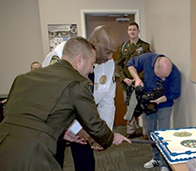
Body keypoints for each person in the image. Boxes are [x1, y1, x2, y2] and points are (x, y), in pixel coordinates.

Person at [0, 37, 130, 171]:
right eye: (92, 64)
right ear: (79, 60)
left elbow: (21, 114)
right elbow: (93, 123)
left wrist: (61, 130)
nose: (92, 70)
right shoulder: (77, 83)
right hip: (33, 153)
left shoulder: (23, 78)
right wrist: (112, 137)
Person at [42, 25, 120, 171]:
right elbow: (53, 100)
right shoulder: (62, 54)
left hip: (85, 117)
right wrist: (77, 129)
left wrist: (104, 136)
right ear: (94, 44)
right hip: (56, 120)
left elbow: (107, 101)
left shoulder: (108, 64)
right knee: (55, 160)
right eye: (108, 51)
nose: (110, 57)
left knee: (86, 161)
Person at [127, 53, 181, 171]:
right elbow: (130, 64)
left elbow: (175, 94)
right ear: (154, 67)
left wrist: (158, 101)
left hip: (164, 104)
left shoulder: (175, 72)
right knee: (151, 132)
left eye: (165, 77)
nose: (162, 79)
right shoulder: (147, 59)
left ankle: (164, 163)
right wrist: (136, 78)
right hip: (147, 104)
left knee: (163, 135)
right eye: (160, 76)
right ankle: (156, 158)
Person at [116, 22, 153, 139]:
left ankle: (146, 132)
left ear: (138, 31)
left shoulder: (145, 46)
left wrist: (137, 78)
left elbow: (149, 64)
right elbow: (119, 64)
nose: (132, 32)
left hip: (141, 82)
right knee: (129, 107)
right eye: (130, 30)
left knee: (144, 105)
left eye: (134, 29)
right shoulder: (123, 47)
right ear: (127, 32)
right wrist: (124, 78)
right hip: (127, 83)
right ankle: (130, 130)